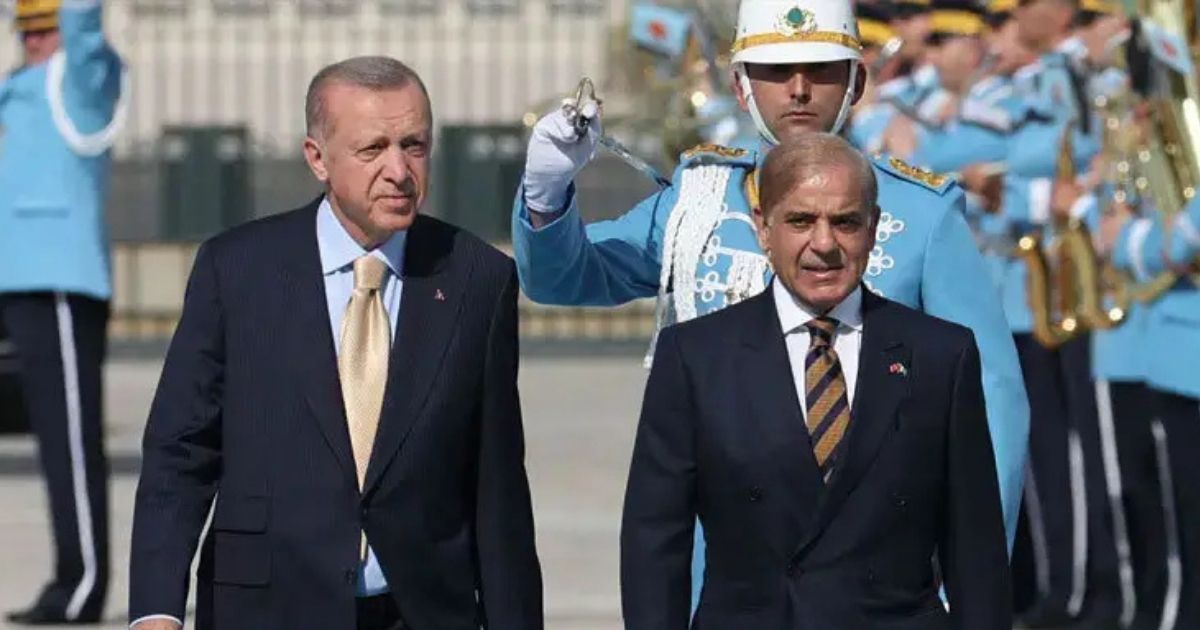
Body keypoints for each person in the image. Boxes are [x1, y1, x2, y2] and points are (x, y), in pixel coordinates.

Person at [515, 0, 1029, 606]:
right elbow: (568, 278)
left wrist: (967, 576)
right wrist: (546, 195)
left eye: (822, 69)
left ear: (858, 80)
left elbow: (992, 395)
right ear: (740, 86)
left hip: (876, 562)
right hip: (729, 566)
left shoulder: (920, 213)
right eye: (776, 71)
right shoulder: (698, 201)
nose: (799, 89)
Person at [127, 56, 543, 630]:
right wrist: (155, 610)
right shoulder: (238, 271)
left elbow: (498, 487)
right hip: (267, 608)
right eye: (373, 149)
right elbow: (181, 451)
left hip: (421, 609)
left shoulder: (477, 280)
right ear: (317, 158)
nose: (399, 170)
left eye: (414, 146)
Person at [620, 133, 1012, 629]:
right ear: (763, 228)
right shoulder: (696, 357)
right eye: (801, 221)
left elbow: (975, 548)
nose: (824, 244)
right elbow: (655, 539)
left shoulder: (939, 354)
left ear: (873, 227)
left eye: (845, 222)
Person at [0, 0, 126, 624]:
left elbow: (84, 29)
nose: (35, 42)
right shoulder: (15, 91)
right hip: (14, 276)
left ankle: (81, 583)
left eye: (45, 30)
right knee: (50, 441)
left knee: (69, 439)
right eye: (27, 31)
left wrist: (75, 23)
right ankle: (67, 577)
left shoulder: (82, 80)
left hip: (58, 281)